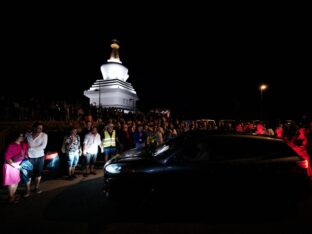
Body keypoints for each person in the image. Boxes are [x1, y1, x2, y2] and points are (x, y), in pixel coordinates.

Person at [2, 133, 29, 203]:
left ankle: (12, 196)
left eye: (23, 136)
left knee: (16, 181)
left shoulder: (23, 144)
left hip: (18, 165)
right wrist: (14, 165)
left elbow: (26, 153)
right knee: (11, 182)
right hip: (10, 166)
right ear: (15, 137)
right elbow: (7, 158)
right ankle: (11, 198)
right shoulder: (11, 145)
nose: (22, 137)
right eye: (20, 136)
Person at [25, 122, 48, 194]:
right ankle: (28, 190)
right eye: (38, 128)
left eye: (41, 128)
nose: (40, 129)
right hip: (29, 157)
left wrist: (30, 148)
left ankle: (36, 188)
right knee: (28, 173)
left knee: (38, 173)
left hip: (40, 157)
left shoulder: (44, 135)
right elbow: (24, 145)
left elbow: (43, 146)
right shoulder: (27, 135)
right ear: (34, 128)